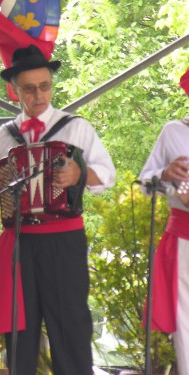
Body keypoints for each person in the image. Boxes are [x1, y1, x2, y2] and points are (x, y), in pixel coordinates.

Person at [0, 45, 115, 375]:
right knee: (19, 333)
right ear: (15, 91)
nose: (39, 95)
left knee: (70, 330)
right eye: (30, 89)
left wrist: (79, 174)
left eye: (45, 86)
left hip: (64, 241)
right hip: (20, 243)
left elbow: (106, 176)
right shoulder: (6, 135)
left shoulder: (75, 127)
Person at [139, 67, 189, 375]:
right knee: (185, 324)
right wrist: (165, 176)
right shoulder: (173, 131)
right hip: (185, 239)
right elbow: (146, 185)